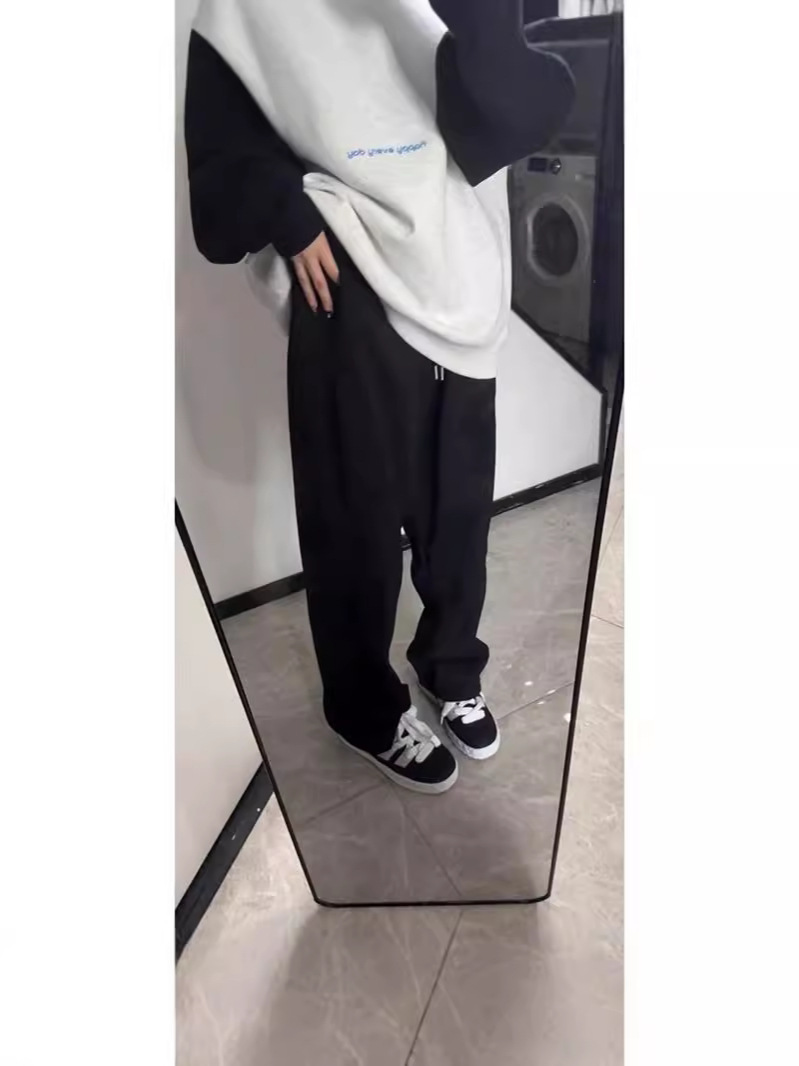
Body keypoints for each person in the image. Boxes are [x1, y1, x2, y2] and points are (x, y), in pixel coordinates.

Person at [184, 0, 575, 794]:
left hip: (459, 269)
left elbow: (511, 121)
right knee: (352, 515)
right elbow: (219, 165)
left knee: (457, 507)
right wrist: (286, 211)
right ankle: (362, 707)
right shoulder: (237, 9)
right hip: (347, 271)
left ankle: (449, 669)